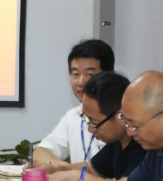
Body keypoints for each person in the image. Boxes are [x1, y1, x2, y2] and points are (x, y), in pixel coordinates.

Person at [46, 72, 144, 181]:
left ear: (120, 117)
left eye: (94, 122)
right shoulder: (118, 142)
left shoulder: (145, 145)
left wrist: (76, 177)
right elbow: (91, 169)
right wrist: (53, 169)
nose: (90, 129)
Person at [30, 39, 112, 172]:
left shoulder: (120, 120)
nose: (81, 82)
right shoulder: (73, 116)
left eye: (89, 74)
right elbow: (39, 153)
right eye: (75, 74)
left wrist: (68, 170)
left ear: (108, 76)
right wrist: (68, 169)